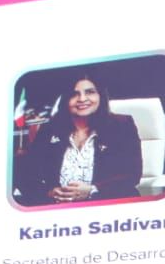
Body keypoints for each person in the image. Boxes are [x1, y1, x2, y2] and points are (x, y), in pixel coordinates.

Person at [16, 71, 143, 205]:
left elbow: (131, 176)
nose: (82, 99)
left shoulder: (122, 126)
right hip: (58, 208)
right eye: (74, 94)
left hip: (106, 206)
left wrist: (92, 191)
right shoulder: (49, 129)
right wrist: (49, 192)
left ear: (100, 96)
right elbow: (27, 175)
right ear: (66, 99)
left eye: (90, 92)